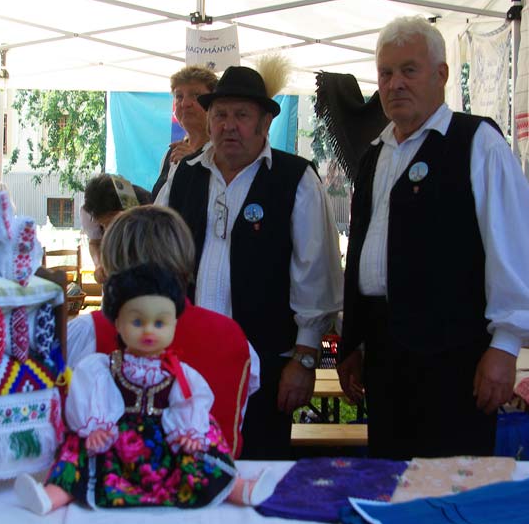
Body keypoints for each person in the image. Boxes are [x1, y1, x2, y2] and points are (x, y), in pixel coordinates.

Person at [337, 17, 529, 460]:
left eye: (409, 70)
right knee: (391, 474)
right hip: (384, 352)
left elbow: (514, 248)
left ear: (442, 75)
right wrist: (353, 340)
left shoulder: (478, 143)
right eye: (385, 73)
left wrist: (505, 347)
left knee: (451, 480)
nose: (394, 83)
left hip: (455, 356)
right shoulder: (375, 156)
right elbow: (366, 251)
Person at [157, 65, 344, 460]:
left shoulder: (297, 178)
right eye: (221, 114)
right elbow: (155, 255)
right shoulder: (184, 175)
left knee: (258, 470)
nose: (229, 125)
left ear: (265, 123)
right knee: (185, 467)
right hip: (188, 362)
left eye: (242, 115)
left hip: (264, 365)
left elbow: (317, 275)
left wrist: (304, 358)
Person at [14, 264, 265, 514]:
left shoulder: (179, 372)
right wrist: (96, 426)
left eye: (160, 323)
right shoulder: (103, 367)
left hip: (167, 436)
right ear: (117, 323)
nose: (148, 330)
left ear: (174, 324)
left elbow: (190, 403)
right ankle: (53, 496)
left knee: (203, 442)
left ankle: (238, 488)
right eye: (137, 321)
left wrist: (189, 429)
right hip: (115, 436)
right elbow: (90, 397)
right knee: (79, 449)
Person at [66, 204, 259, 457]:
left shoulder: (85, 332)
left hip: (113, 487)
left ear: (113, 263)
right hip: (206, 489)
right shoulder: (234, 336)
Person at [151, 66, 219, 199]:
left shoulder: (220, 154)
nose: (185, 103)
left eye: (196, 95)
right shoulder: (170, 154)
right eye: (179, 96)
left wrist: (194, 165)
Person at [80, 173, 151, 283]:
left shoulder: (146, 207)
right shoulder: (90, 210)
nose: (108, 230)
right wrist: (99, 265)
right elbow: (95, 242)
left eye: (111, 222)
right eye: (103, 225)